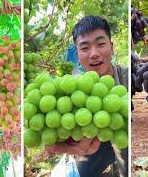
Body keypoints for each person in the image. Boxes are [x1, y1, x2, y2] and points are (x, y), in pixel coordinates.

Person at [45, 15, 128, 177]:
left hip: (122, 135)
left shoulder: (129, 78)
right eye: (85, 48)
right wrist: (58, 144)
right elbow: (51, 140)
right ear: (77, 55)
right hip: (93, 139)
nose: (94, 54)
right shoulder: (72, 93)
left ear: (112, 46)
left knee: (125, 162)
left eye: (101, 44)